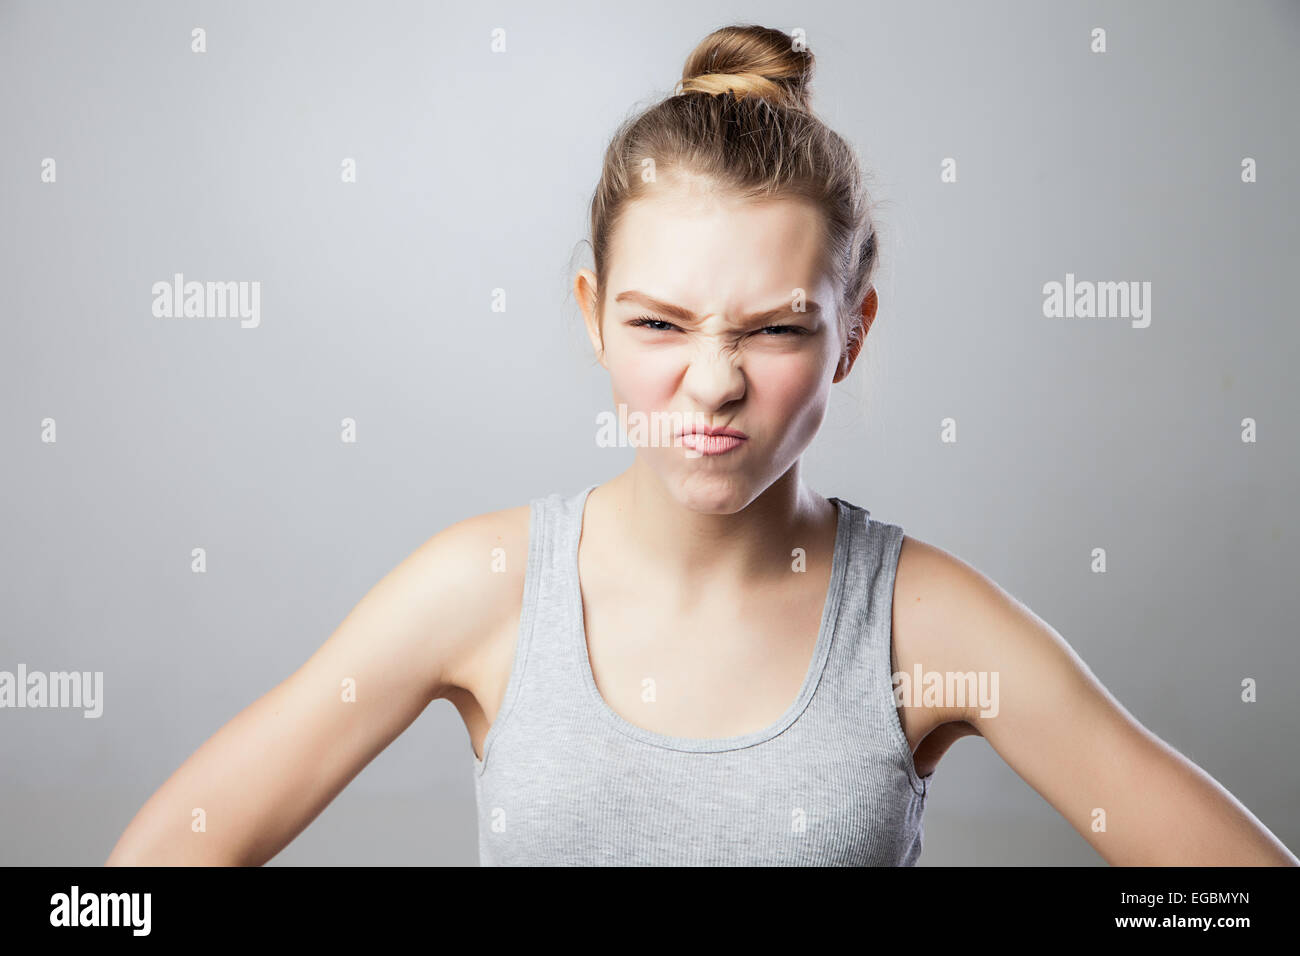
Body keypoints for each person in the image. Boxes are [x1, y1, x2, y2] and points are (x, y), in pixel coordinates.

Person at [106, 23, 1297, 867]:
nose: (713, 382)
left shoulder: (921, 620)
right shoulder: (483, 588)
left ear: (851, 332)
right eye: (658, 324)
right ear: (591, 315)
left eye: (777, 328)